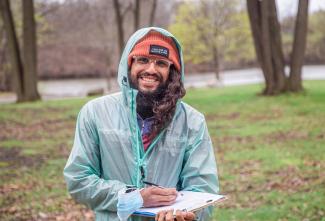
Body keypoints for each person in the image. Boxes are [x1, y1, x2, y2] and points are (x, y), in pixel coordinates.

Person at [63, 27, 219, 221]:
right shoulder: (95, 113)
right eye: (143, 60)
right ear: (129, 65)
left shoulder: (192, 122)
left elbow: (202, 188)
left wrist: (191, 215)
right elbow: (78, 179)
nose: (151, 70)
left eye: (161, 63)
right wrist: (134, 198)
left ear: (172, 72)